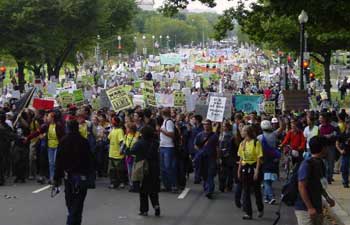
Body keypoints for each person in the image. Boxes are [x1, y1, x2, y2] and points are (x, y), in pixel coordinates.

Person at [54, 120, 94, 225]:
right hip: (81, 176)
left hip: (69, 176)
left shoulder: (63, 141)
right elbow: (90, 159)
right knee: (79, 202)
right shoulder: (84, 141)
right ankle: (75, 221)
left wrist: (56, 178)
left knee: (70, 200)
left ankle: (71, 220)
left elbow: (59, 161)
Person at [295, 136, 335, 225]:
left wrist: (327, 197)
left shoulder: (320, 163)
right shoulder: (306, 164)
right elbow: (301, 186)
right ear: (322, 148)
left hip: (317, 207)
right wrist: (309, 207)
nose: (328, 149)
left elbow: (319, 184)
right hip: (304, 209)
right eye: (326, 146)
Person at [130, 125, 161, 217]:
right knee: (153, 190)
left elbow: (132, 151)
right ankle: (156, 206)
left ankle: (144, 210)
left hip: (143, 168)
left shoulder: (139, 143)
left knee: (143, 190)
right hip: (154, 168)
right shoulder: (156, 143)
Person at [238, 125, 264, 220]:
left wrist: (257, 171)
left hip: (253, 167)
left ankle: (260, 208)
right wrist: (239, 170)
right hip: (245, 168)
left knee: (256, 190)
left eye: (243, 131)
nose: (241, 132)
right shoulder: (242, 144)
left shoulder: (256, 143)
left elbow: (259, 158)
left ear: (247, 132)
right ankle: (248, 212)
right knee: (246, 191)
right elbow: (241, 158)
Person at [258, 119, 284, 205]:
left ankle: (271, 196)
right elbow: (281, 127)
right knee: (269, 179)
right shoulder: (274, 135)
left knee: (266, 180)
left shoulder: (260, 137)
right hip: (273, 159)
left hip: (264, 159)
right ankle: (266, 197)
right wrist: (280, 118)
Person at [194, 119, 219, 199]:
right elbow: (196, 145)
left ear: (210, 125)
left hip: (211, 157)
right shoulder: (199, 135)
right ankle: (206, 187)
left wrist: (218, 158)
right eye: (204, 124)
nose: (206, 125)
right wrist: (200, 151)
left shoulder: (214, 135)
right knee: (204, 174)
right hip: (202, 158)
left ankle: (209, 190)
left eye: (207, 124)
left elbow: (217, 147)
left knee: (210, 174)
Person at [157, 108, 177, 193]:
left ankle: (173, 185)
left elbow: (171, 134)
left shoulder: (169, 122)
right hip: (163, 146)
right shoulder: (165, 122)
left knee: (168, 167)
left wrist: (161, 130)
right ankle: (166, 185)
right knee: (163, 167)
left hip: (168, 147)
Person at [108, 116, 125, 189]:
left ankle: (121, 182)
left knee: (119, 170)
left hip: (118, 154)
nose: (112, 122)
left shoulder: (120, 130)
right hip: (111, 153)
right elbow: (108, 138)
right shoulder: (113, 130)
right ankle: (113, 183)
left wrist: (121, 150)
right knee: (112, 170)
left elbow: (122, 142)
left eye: (113, 121)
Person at [218, 120, 235, 192]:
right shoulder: (221, 134)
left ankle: (228, 186)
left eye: (225, 126)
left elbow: (230, 146)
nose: (223, 127)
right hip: (221, 155)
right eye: (223, 126)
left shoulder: (230, 135)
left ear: (228, 127)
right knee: (222, 172)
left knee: (229, 173)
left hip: (228, 156)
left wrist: (226, 152)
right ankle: (222, 186)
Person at [336, 119, 350, 188]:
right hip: (345, 154)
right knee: (344, 169)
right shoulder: (342, 134)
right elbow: (337, 144)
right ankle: (345, 182)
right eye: (348, 123)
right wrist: (340, 151)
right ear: (346, 125)